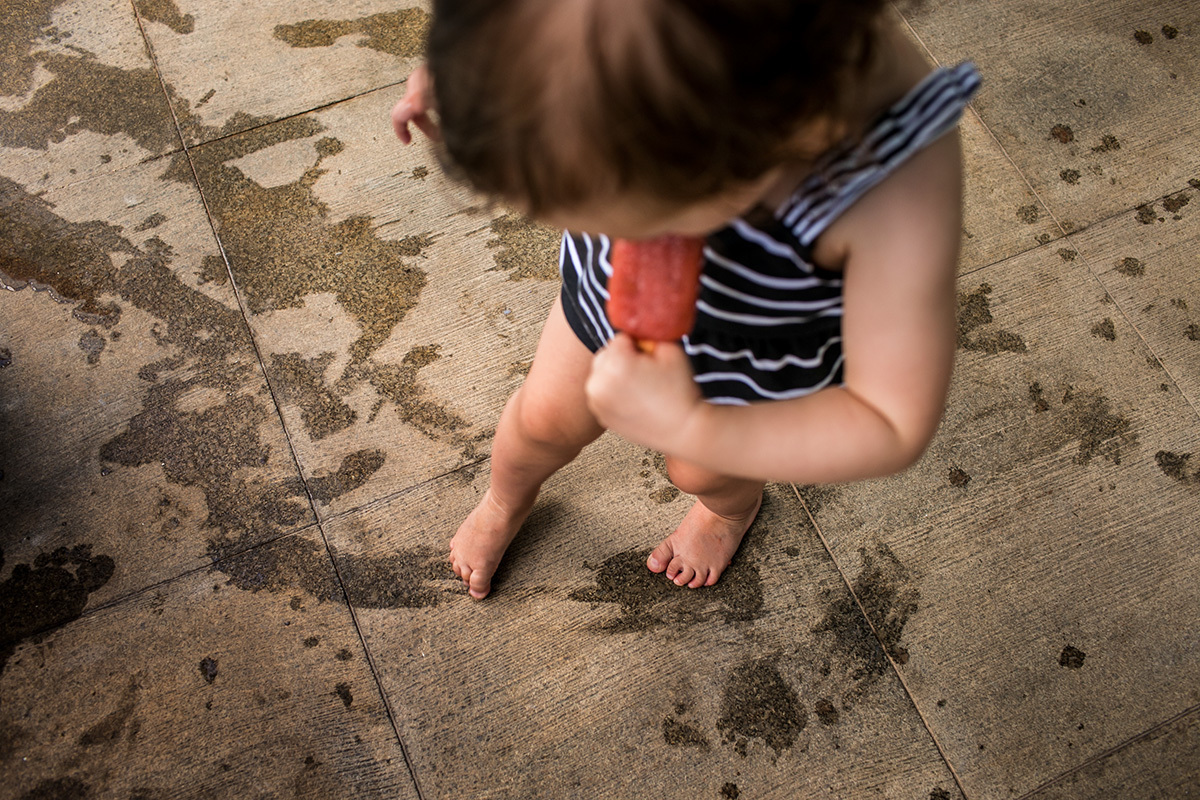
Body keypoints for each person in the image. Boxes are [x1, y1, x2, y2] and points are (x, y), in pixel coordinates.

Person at [392, 0, 980, 599]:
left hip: (756, 358)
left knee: (702, 469)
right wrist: (480, 74)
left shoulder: (891, 186)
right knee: (541, 420)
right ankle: (503, 500)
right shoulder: (626, 58)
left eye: (626, 223)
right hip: (600, 295)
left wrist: (697, 427)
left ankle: (728, 511)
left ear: (760, 154)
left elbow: (892, 424)